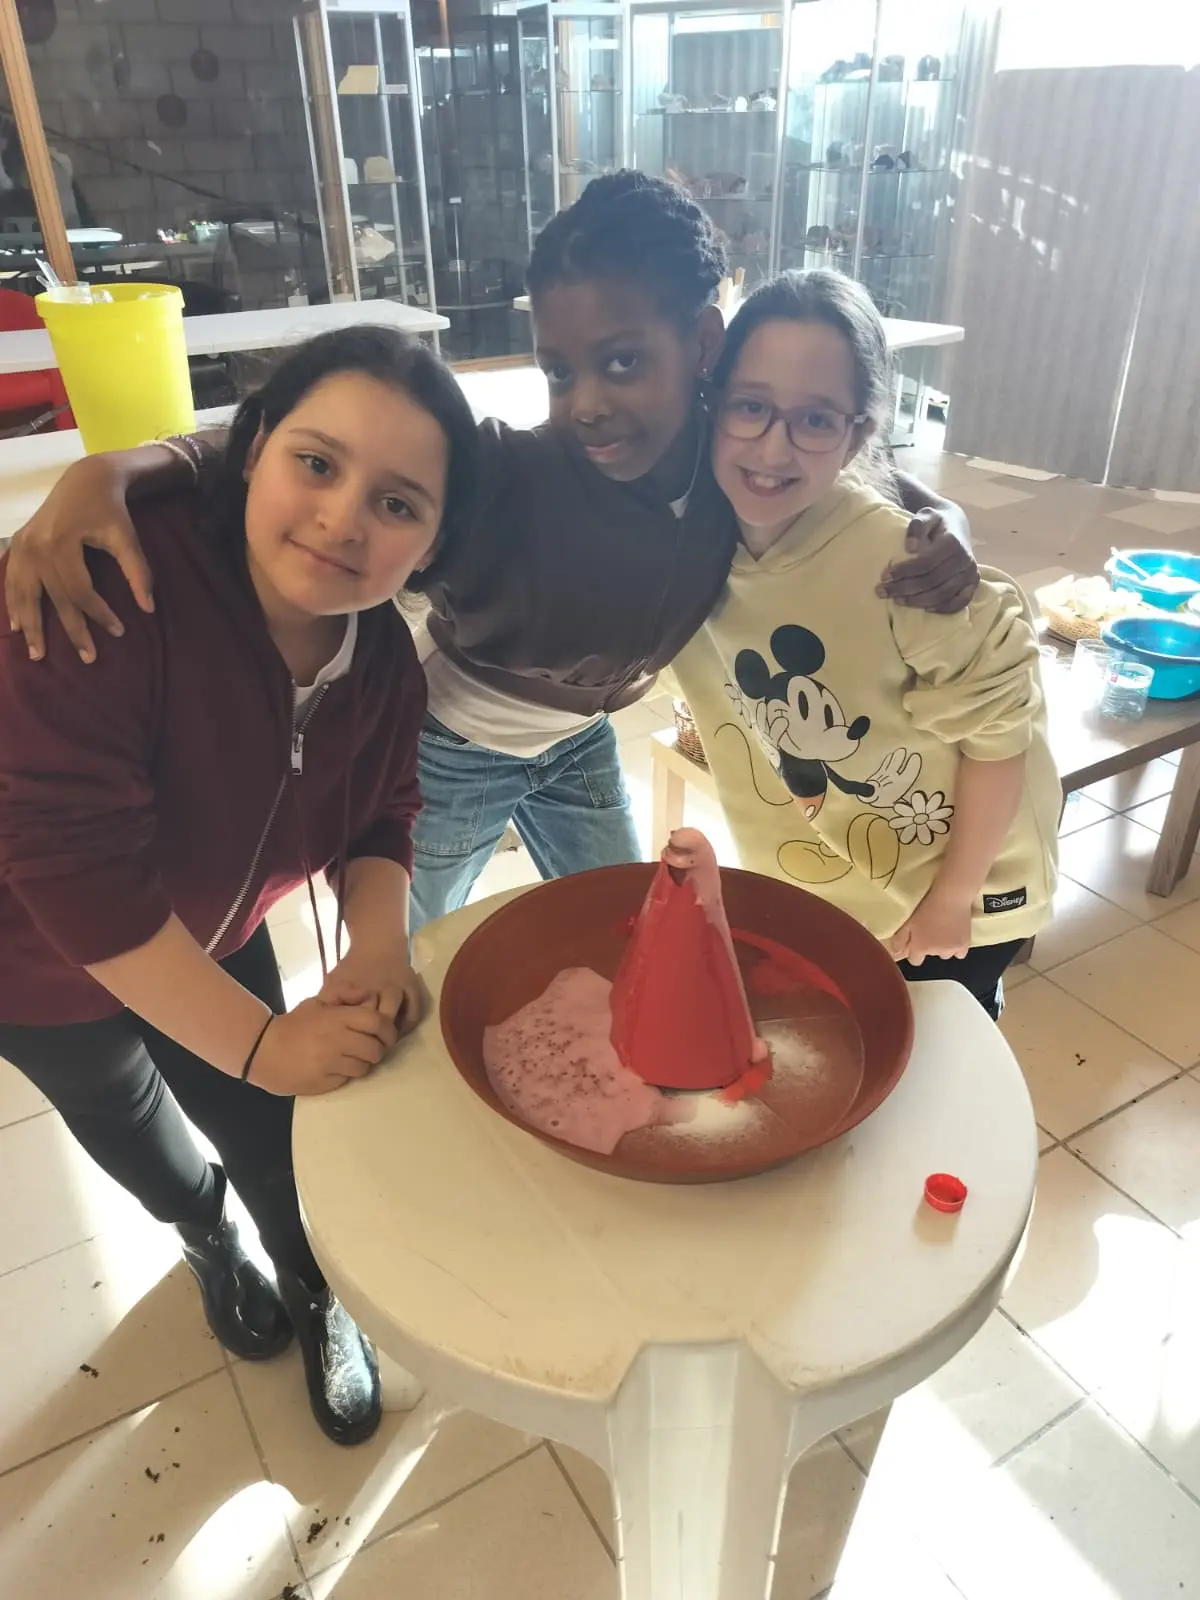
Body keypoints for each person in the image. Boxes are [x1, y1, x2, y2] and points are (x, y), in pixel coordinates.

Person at [3, 174, 978, 932]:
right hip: (453, 750)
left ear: (704, 341)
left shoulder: (735, 455)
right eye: (560, 371)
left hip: (580, 742)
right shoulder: (505, 475)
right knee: (410, 944)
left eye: (623, 362)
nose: (587, 401)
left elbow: (846, 463)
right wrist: (119, 468)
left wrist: (946, 520)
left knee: (632, 917)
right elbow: (300, 442)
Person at [0, 326, 478, 1444]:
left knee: (273, 1136)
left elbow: (383, 808)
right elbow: (74, 868)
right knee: (132, 1128)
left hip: (217, 929)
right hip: (36, 969)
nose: (343, 520)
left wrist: (378, 942)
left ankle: (313, 1285)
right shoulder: (104, 587)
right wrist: (261, 1043)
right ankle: (207, 1236)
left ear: (433, 543)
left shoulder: (381, 662)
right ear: (251, 448)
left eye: (397, 504)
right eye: (316, 463)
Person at [668, 270, 1059, 1018]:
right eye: (750, 406)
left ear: (860, 434)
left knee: (942, 1048)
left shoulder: (908, 571)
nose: (773, 448)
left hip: (966, 892)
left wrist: (954, 897)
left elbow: (1000, 739)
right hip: (844, 882)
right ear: (711, 402)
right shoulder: (696, 547)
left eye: (815, 420)